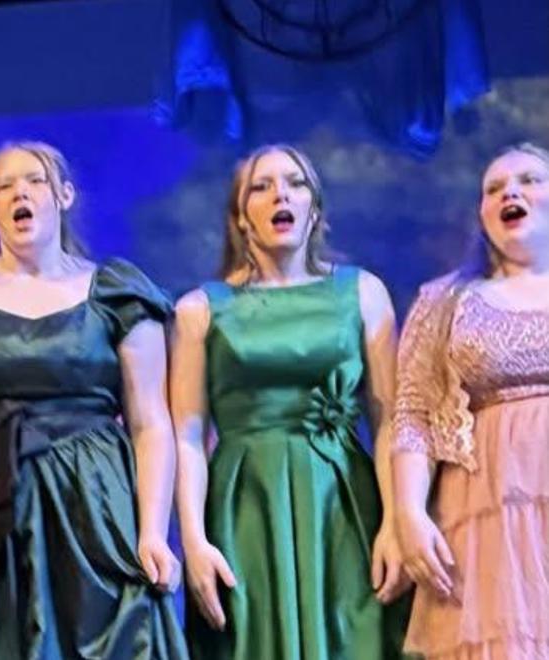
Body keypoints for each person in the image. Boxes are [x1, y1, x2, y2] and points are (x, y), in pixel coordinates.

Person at [0, 141, 187, 659]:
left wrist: (152, 531)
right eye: (5, 186)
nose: (21, 194)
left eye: (35, 181)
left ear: (64, 195)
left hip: (93, 502)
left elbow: (150, 424)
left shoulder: (117, 292)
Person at [170, 144, 409, 659]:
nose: (280, 194)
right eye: (261, 186)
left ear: (314, 209)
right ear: (241, 216)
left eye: (295, 183)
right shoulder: (200, 310)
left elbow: (390, 419)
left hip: (341, 503)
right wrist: (193, 540)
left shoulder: (363, 293)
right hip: (247, 505)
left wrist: (397, 522)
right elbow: (186, 436)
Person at [392, 143, 549, 659]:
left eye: (529, 180)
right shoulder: (445, 300)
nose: (510, 192)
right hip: (487, 517)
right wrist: (409, 512)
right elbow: (413, 412)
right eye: (493, 188)